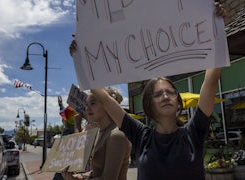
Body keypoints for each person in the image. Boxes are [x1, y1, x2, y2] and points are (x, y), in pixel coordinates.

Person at [69, 3, 226, 179]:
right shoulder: (140, 136)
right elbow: (103, 98)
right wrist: (83, 55)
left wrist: (216, 27)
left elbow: (211, 80)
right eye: (158, 94)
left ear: (178, 103)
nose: (165, 96)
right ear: (149, 105)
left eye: (170, 92)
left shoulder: (194, 132)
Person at [61, 88, 131, 180]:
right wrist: (81, 176)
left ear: (107, 105)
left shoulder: (116, 136)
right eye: (86, 104)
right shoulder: (101, 132)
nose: (87, 109)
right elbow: (98, 171)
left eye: (93, 103)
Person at [53, 96, 83, 180]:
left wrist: (60, 104)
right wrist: (60, 104)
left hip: (65, 167)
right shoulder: (80, 130)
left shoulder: (68, 133)